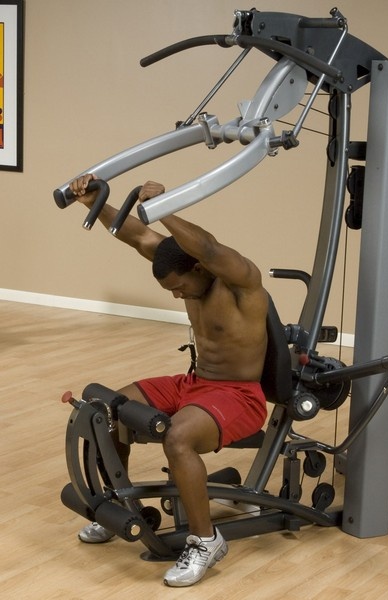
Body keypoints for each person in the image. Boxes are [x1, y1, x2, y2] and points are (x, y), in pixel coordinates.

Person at [67, 174, 269, 587]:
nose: (178, 296)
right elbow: (137, 235)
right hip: (194, 383)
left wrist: (166, 205)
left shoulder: (242, 283)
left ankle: (206, 540)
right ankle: (120, 509)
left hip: (239, 395)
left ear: (198, 268)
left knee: (177, 438)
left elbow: (208, 247)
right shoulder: (180, 264)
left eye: (180, 288)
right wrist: (92, 201)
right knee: (107, 410)